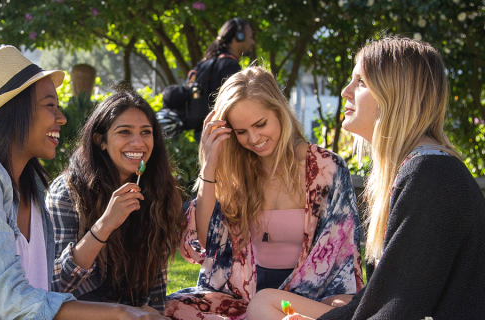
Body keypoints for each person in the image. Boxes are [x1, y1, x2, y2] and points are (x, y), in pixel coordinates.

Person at [0, 45, 165, 320]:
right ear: (13, 111)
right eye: (49, 105)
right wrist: (122, 313)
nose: (62, 117)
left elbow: (43, 293)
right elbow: (13, 301)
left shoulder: (31, 184)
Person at [248, 37, 485, 320]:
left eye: (360, 82)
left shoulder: (432, 176)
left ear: (395, 94)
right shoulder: (418, 168)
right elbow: (396, 289)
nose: (345, 91)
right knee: (266, 302)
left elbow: (402, 307)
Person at [164, 66, 363, 320]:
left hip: (308, 298)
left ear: (279, 112)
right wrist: (210, 167)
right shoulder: (235, 170)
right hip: (241, 299)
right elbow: (201, 244)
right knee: (169, 308)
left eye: (261, 124)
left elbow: (344, 260)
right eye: (241, 132)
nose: (254, 138)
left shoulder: (326, 168)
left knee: (338, 307)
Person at [46, 92, 184, 314]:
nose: (138, 142)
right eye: (124, 132)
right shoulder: (68, 192)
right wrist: (106, 224)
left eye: (146, 132)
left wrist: (153, 314)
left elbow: (155, 286)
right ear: (101, 141)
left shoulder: (158, 190)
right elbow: (56, 285)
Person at [189, 17, 255, 140]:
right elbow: (235, 106)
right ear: (239, 36)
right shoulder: (230, 66)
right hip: (221, 137)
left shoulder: (208, 62)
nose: (253, 42)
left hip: (205, 133)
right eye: (250, 37)